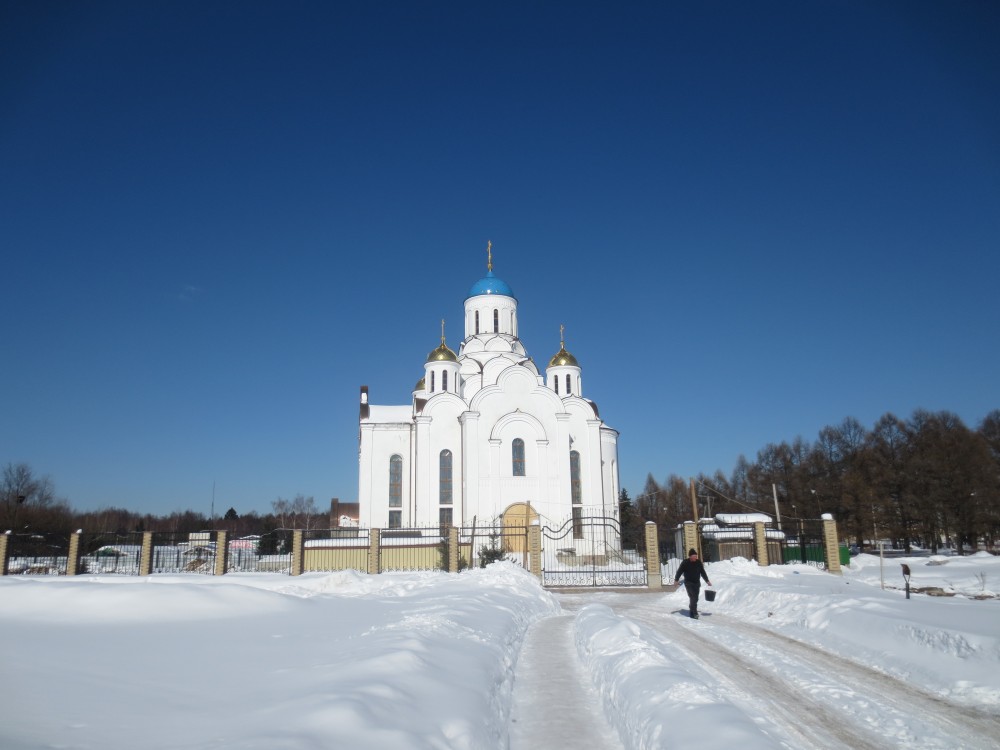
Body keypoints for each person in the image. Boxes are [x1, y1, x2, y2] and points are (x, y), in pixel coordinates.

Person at [674, 548, 712, 619]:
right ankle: (694, 613)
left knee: (695, 598)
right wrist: (676, 580)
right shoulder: (685, 563)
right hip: (688, 583)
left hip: (697, 583)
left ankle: (692, 609)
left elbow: (703, 572)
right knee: (693, 597)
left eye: (696, 556)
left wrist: (707, 581)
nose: (695, 557)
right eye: (694, 556)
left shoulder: (698, 562)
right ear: (690, 556)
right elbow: (679, 571)